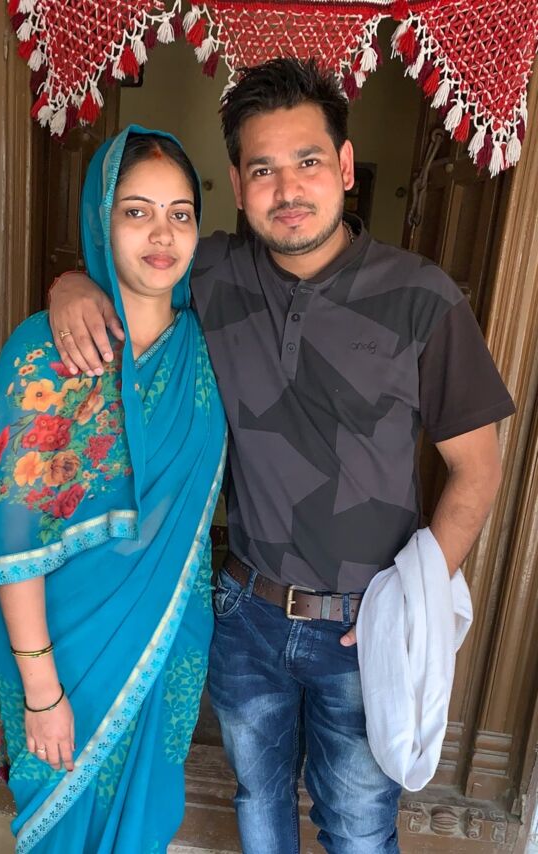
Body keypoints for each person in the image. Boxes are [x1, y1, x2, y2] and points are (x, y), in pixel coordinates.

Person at [47, 59, 515, 854]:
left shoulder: (422, 297)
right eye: (263, 169)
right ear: (237, 183)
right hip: (245, 614)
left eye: (308, 161)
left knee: (358, 828)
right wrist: (70, 285)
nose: (287, 189)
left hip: (364, 629)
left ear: (344, 166)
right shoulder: (214, 271)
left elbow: (479, 469)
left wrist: (405, 604)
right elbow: (128, 259)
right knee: (259, 802)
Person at [0, 127, 226, 853]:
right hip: (57, 646)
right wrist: (42, 691)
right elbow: (14, 534)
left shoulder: (211, 346)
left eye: (181, 213)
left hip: (167, 635)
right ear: (101, 220)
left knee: (144, 820)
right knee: (61, 821)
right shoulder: (44, 350)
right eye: (136, 212)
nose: (162, 234)